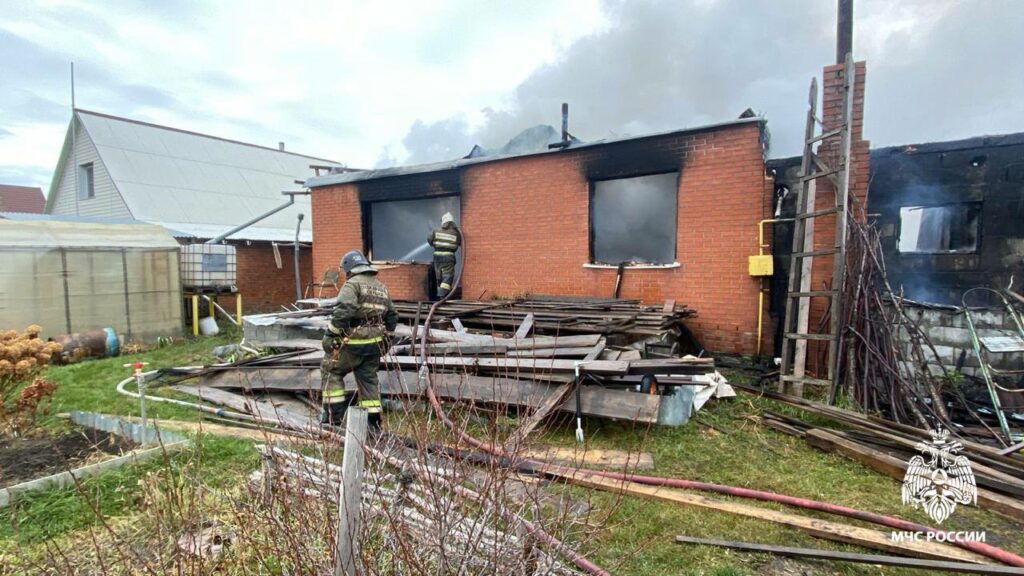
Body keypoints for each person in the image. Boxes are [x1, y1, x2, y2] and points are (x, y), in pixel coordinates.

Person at [321, 250, 398, 432]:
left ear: (348, 268)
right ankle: (373, 424)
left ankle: (333, 417)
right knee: (368, 379)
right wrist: (389, 338)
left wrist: (331, 334)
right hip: (375, 344)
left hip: (354, 342)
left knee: (330, 369)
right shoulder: (381, 287)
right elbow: (392, 315)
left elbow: (344, 309)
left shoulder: (352, 285)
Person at [427, 212, 461, 299]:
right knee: (447, 277)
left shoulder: (436, 231)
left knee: (439, 277)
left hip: (437, 257)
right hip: (448, 257)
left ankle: (439, 297)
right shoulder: (456, 233)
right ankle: (441, 295)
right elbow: (460, 242)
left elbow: (429, 240)